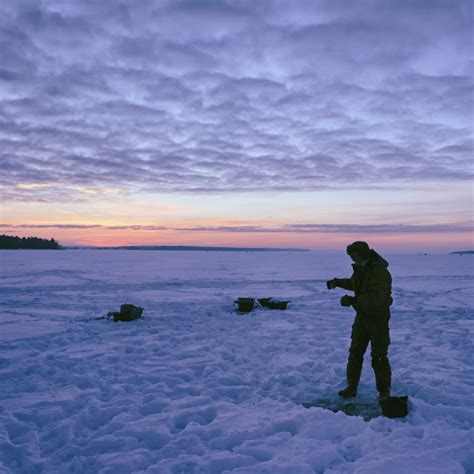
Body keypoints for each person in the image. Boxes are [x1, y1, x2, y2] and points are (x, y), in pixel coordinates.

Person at [326, 241, 393, 400]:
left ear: (362, 254)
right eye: (350, 257)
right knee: (355, 354)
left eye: (354, 256)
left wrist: (353, 301)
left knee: (379, 357)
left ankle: (384, 393)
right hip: (362, 318)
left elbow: (378, 297)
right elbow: (355, 284)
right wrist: (337, 282)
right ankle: (351, 387)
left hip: (378, 320)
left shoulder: (380, 272)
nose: (352, 259)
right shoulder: (362, 268)